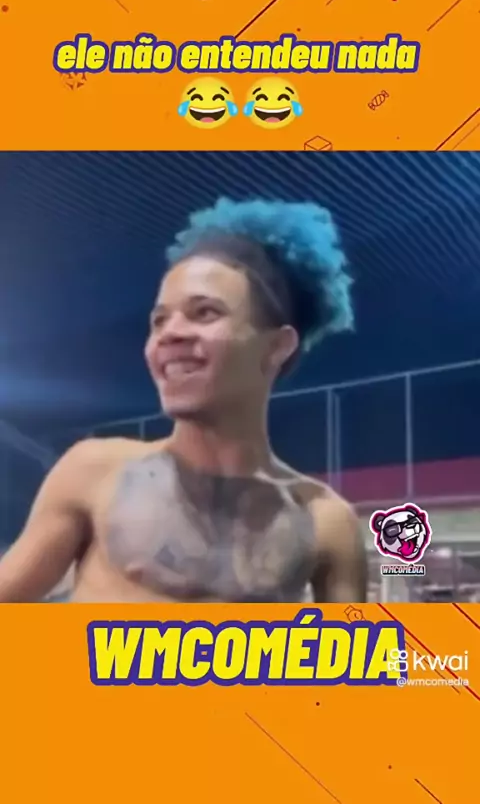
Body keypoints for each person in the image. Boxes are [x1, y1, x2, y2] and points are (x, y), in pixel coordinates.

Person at [0, 198, 367, 603]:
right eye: (159, 320)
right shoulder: (93, 472)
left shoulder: (328, 522)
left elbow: (348, 645)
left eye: (204, 312)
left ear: (276, 347)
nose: (169, 333)